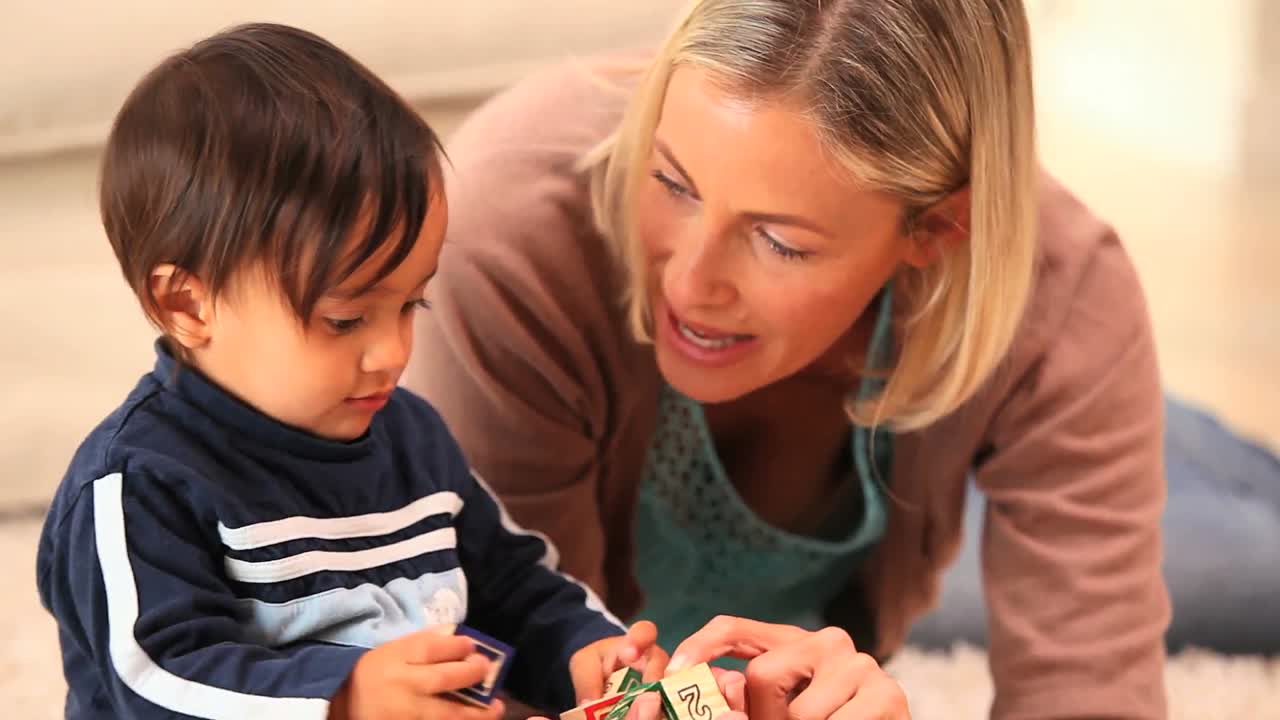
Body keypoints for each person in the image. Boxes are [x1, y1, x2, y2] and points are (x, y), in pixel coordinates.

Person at [404, 1, 1172, 718]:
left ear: (937, 229)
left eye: (781, 242)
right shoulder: (509, 237)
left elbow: (1091, 695)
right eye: (671, 181)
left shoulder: (1066, 301)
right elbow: (500, 670)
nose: (690, 283)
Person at [34, 23, 660, 720]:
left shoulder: (411, 435)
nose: (393, 350)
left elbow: (512, 585)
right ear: (186, 303)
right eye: (345, 319)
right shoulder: (137, 484)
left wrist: (586, 651)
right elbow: (157, 680)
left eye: (411, 303)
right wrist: (344, 697)